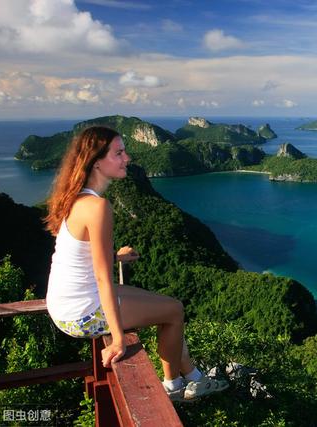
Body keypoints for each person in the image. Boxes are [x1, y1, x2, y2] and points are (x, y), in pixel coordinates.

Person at [44, 126, 228, 401]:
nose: (127, 158)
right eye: (118, 153)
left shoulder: (75, 196)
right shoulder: (98, 207)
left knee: (164, 303)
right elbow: (104, 278)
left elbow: (74, 255)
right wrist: (118, 338)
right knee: (175, 310)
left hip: (64, 303)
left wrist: (114, 256)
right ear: (96, 161)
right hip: (81, 312)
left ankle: (195, 378)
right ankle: (173, 388)